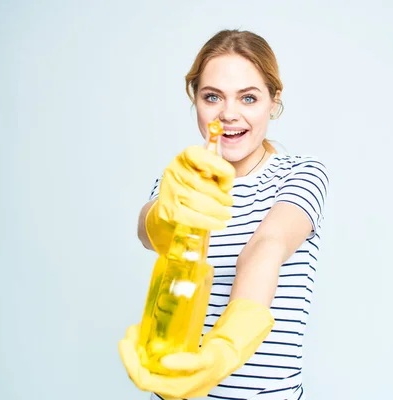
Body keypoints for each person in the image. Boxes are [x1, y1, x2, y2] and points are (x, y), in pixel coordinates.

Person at [118, 29, 330, 400]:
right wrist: (165, 210)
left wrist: (224, 351)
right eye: (212, 96)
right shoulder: (181, 177)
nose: (229, 114)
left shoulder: (301, 174)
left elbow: (266, 245)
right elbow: (148, 232)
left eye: (248, 98)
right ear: (195, 99)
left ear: (273, 101)